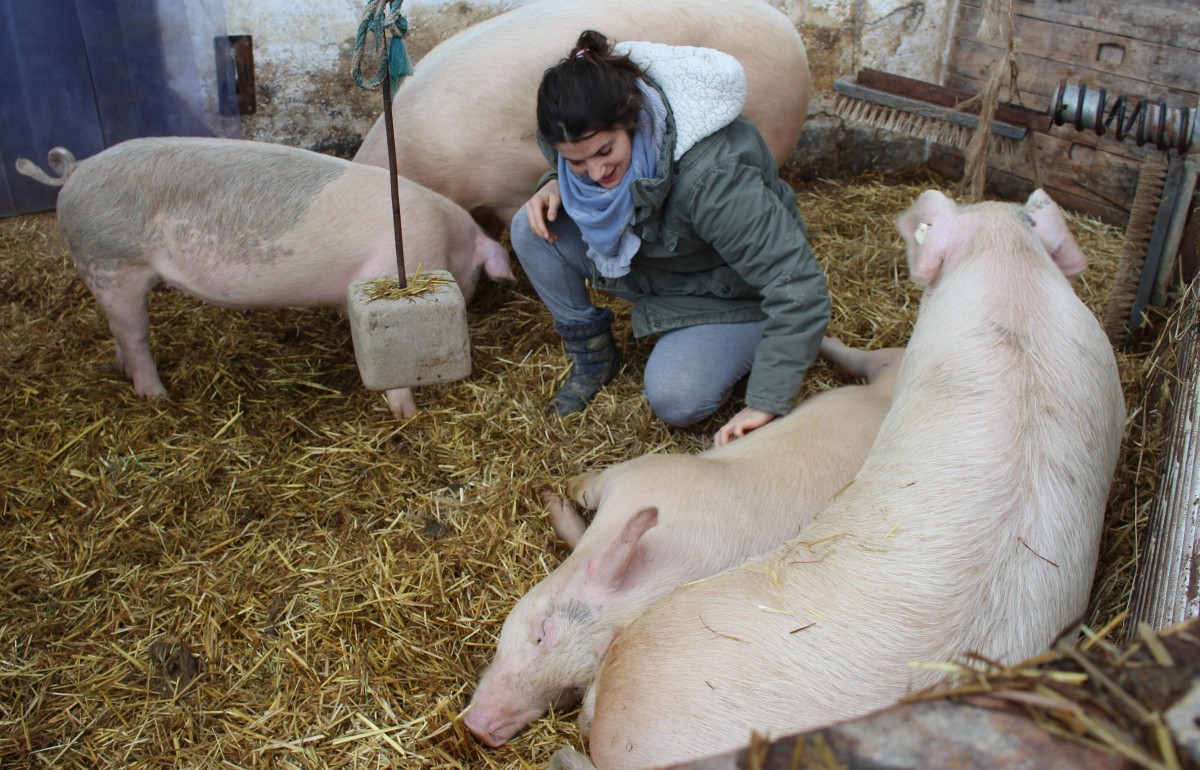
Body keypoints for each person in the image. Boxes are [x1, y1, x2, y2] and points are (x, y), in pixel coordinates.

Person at [511, 30, 830, 446]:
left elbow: (797, 284)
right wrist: (555, 182)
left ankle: (765, 340)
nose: (596, 173)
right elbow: (584, 164)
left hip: (730, 296)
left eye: (605, 151)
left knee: (676, 399)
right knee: (531, 225)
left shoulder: (714, 179)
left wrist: (767, 400)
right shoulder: (591, 145)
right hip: (661, 269)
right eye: (576, 162)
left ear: (634, 118)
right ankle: (593, 356)